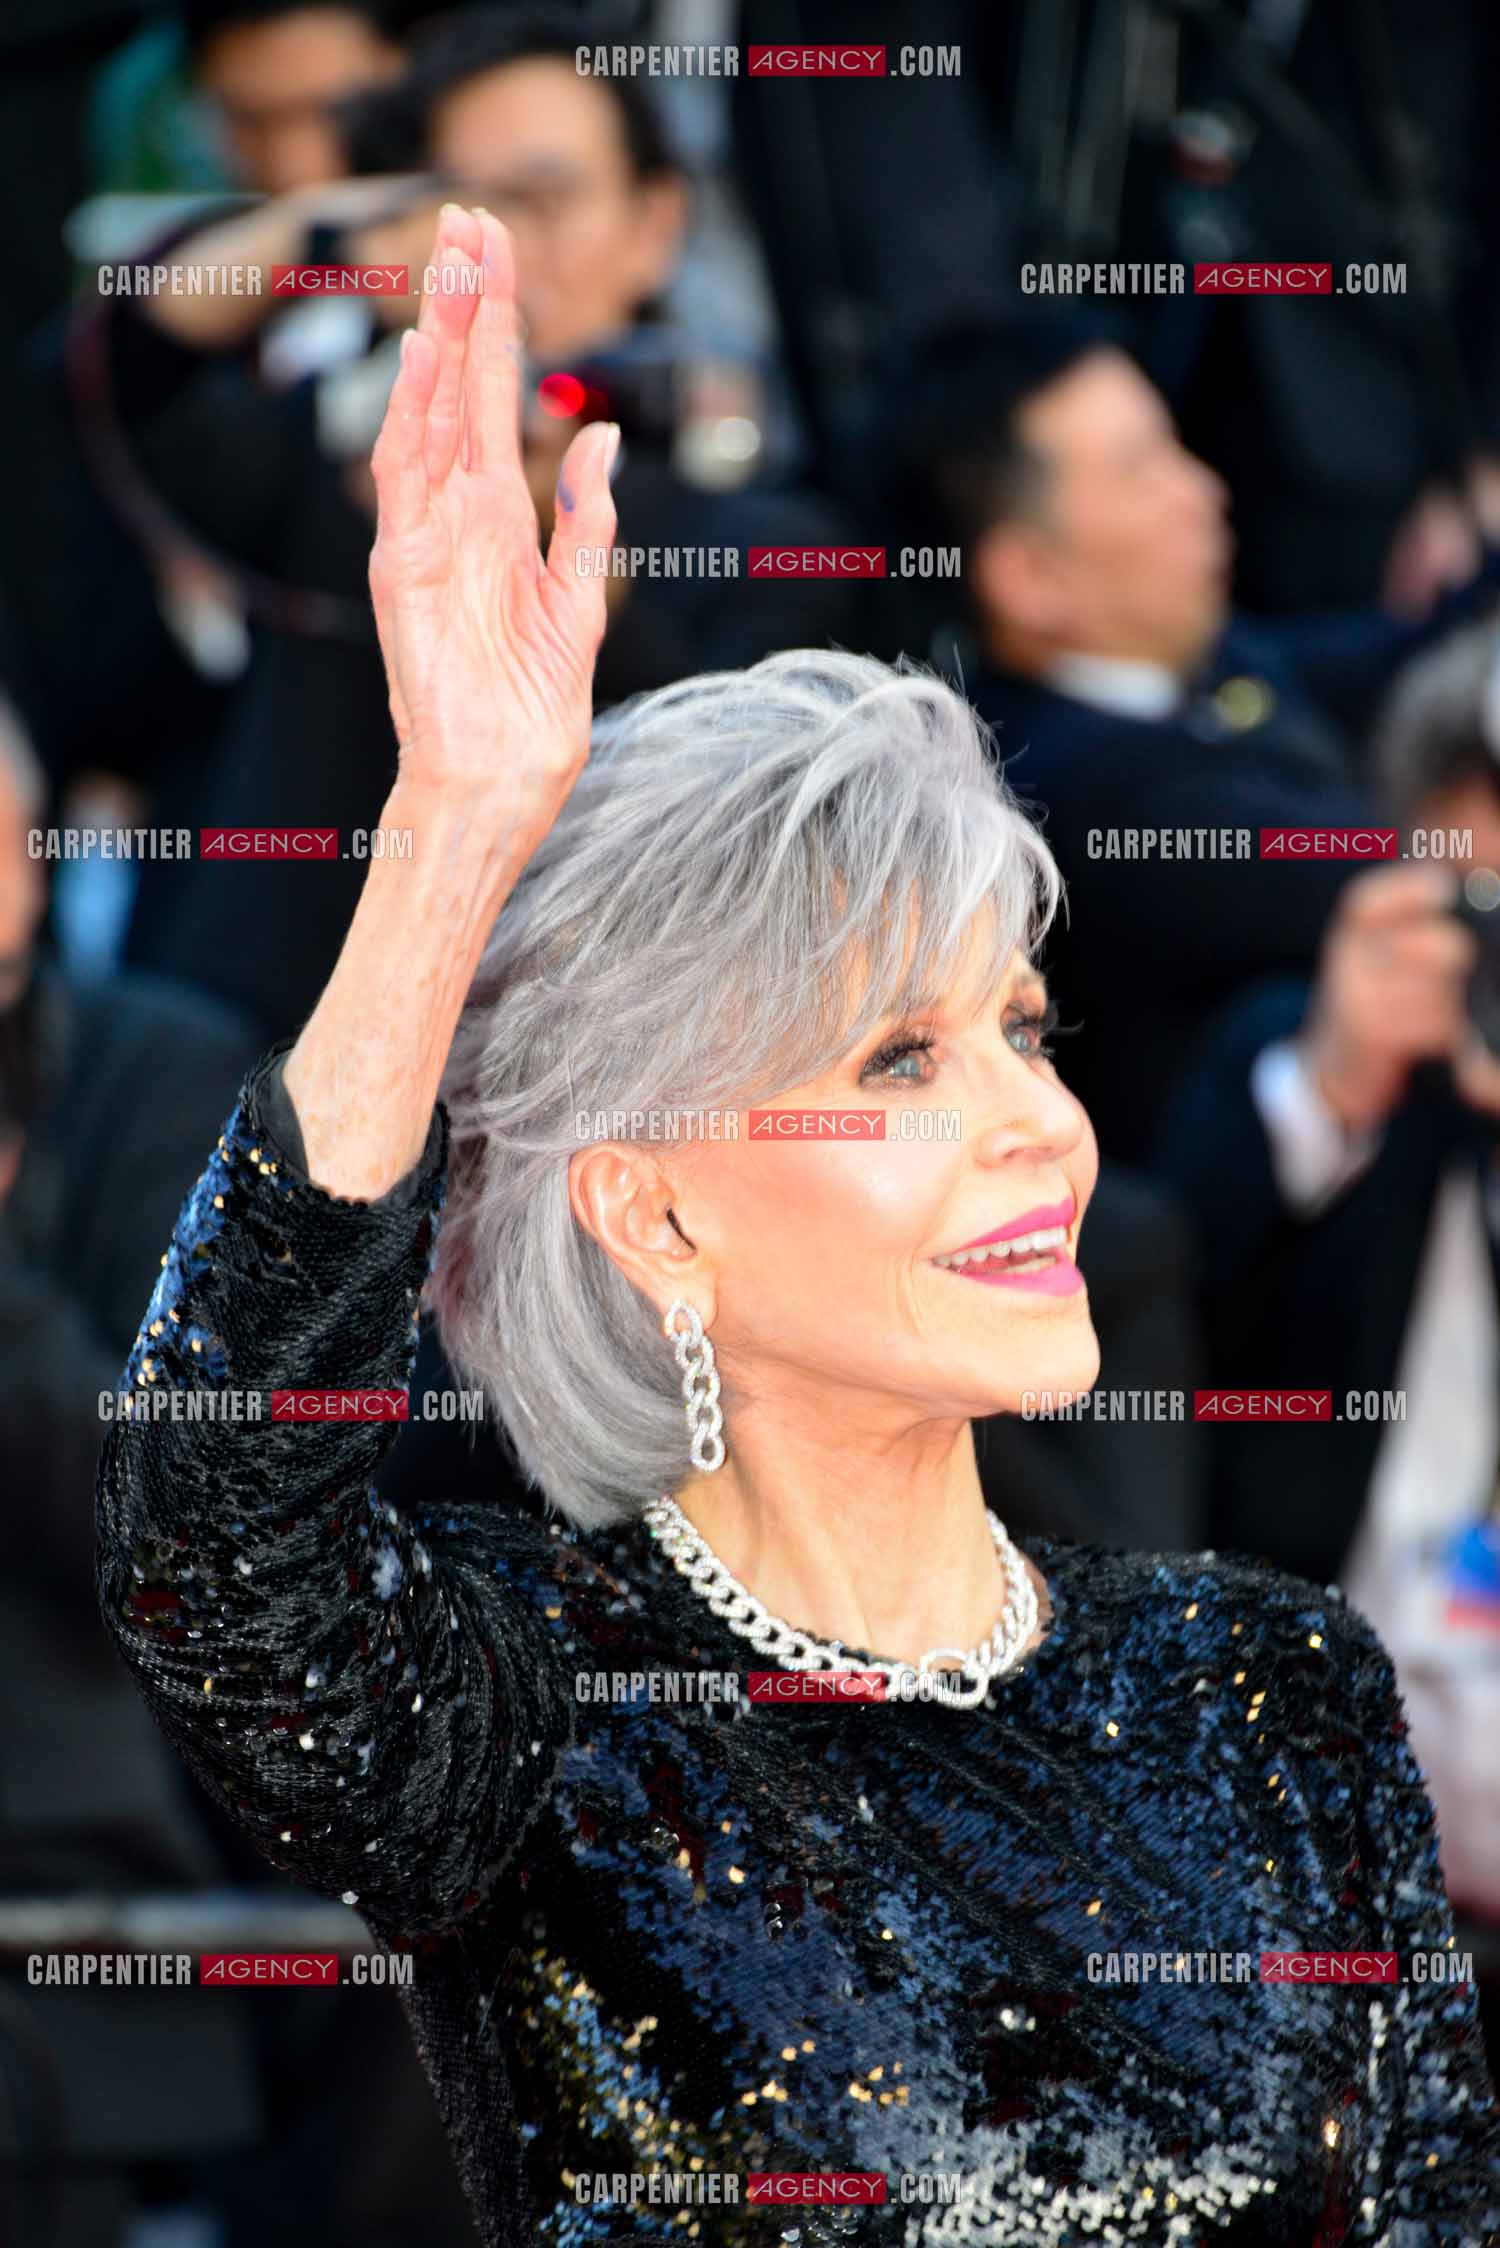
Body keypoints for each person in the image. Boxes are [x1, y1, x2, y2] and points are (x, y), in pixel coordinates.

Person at [95, 207, 1500, 2246]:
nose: (1034, 1121)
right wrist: (453, 832)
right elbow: (210, 1535)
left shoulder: (1278, 1688)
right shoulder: (544, 1714)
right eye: (903, 1057)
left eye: (1024, 1028)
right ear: (653, 1205)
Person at [907, 321, 1500, 1161]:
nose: (1202, 490)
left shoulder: (1190, 661)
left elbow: (1388, 660)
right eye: (1140, 468)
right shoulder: (1055, 788)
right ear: (1028, 577)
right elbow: (1364, 863)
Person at [1150, 620, 1500, 1931]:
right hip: (1317, 1808)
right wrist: (1339, 1083)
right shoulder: (1302, 1051)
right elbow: (1166, 1294)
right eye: (1481, 906)